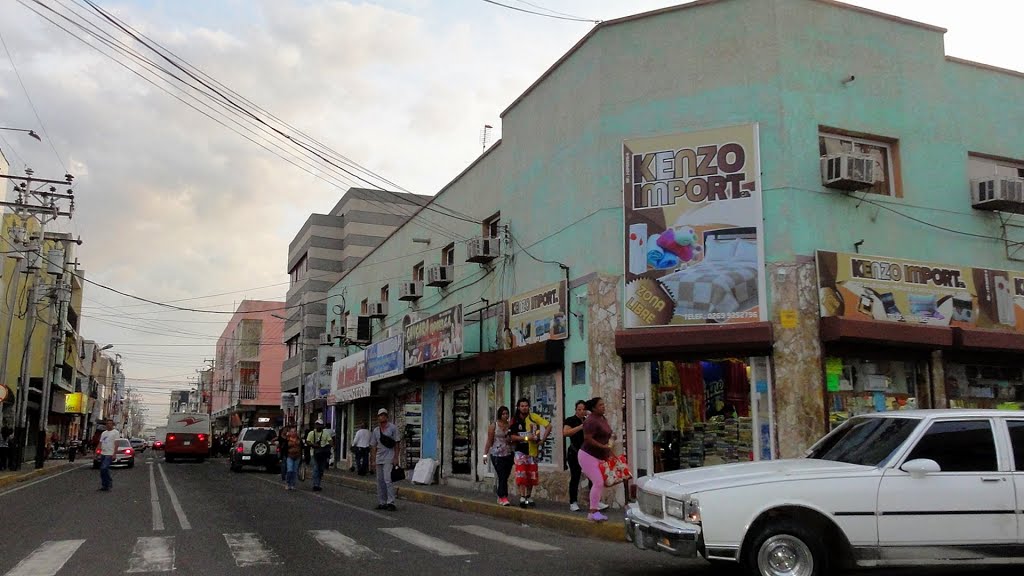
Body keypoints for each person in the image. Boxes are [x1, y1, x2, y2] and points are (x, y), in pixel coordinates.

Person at [509, 397, 551, 508]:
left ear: (529, 407)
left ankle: (528, 496)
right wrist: (526, 438)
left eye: (526, 406)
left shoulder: (534, 417)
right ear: (518, 407)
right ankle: (522, 497)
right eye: (522, 406)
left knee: (531, 475)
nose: (524, 408)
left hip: (532, 450)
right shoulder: (514, 420)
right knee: (521, 474)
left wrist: (542, 440)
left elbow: (548, 426)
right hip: (520, 451)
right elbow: (512, 436)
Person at [578, 397, 613, 522]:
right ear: (593, 408)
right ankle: (593, 512)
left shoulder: (602, 419)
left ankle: (595, 510)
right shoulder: (591, 421)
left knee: (601, 482)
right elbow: (588, 438)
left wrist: (608, 447)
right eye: (600, 405)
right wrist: (603, 446)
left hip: (600, 455)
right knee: (598, 482)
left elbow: (607, 434)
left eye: (603, 404)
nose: (603, 407)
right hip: (587, 455)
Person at [369, 408, 400, 511]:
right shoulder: (376, 430)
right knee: (380, 480)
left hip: (389, 456)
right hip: (379, 457)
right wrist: (373, 460)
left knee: (388, 479)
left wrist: (396, 457)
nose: (382, 417)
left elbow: (397, 443)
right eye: (380, 415)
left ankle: (391, 502)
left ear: (387, 416)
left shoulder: (392, 428)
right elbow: (373, 446)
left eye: (384, 415)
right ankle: (382, 502)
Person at [483, 405, 514, 506]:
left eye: (507, 413)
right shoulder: (494, 426)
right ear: (500, 415)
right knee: (502, 475)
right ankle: (503, 496)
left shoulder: (510, 425)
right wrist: (485, 454)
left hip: (508, 453)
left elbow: (512, 440)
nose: (505, 415)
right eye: (503, 414)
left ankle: (501, 495)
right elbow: (489, 440)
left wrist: (510, 438)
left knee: (506, 475)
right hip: (497, 454)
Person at [563, 400, 587, 512]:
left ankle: (595, 501)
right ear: (576, 410)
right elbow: (566, 433)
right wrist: (580, 427)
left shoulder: (588, 420)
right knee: (575, 477)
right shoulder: (570, 420)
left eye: (583, 409)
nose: (582, 411)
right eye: (579, 409)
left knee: (593, 476)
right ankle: (573, 502)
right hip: (574, 452)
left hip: (587, 453)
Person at [305, 419, 333, 492]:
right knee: (316, 469)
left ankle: (318, 483)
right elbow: (308, 441)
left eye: (319, 425)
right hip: (314, 453)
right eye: (317, 424)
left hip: (323, 454)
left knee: (321, 469)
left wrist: (330, 446)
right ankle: (315, 485)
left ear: (322, 426)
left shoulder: (325, 433)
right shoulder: (311, 433)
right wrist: (313, 444)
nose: (318, 426)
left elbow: (330, 441)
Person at [98, 419, 121, 492]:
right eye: (107, 423)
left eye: (110, 423)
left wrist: (114, 454)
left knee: (104, 468)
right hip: (103, 453)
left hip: (110, 453)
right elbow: (100, 443)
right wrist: (97, 452)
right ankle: (104, 485)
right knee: (102, 470)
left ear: (113, 425)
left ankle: (109, 482)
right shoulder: (104, 433)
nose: (108, 425)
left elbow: (117, 444)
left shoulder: (115, 433)